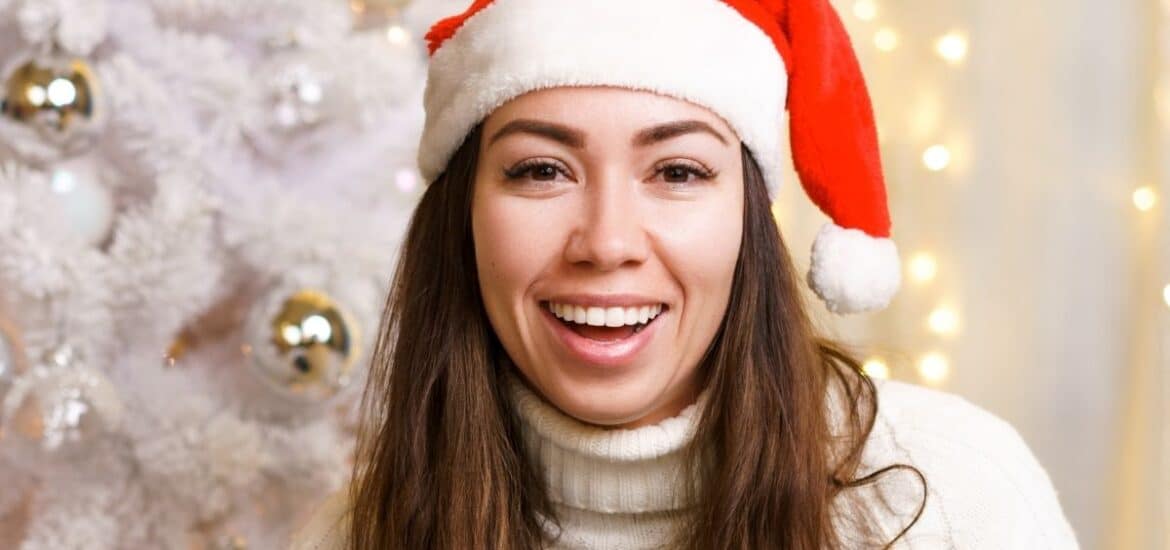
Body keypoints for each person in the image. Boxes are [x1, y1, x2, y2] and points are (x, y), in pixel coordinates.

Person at [291, 0, 1079, 548]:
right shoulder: (352, 537)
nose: (607, 243)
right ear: (464, 216)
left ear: (747, 220)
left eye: (676, 171)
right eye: (540, 170)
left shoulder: (950, 495)